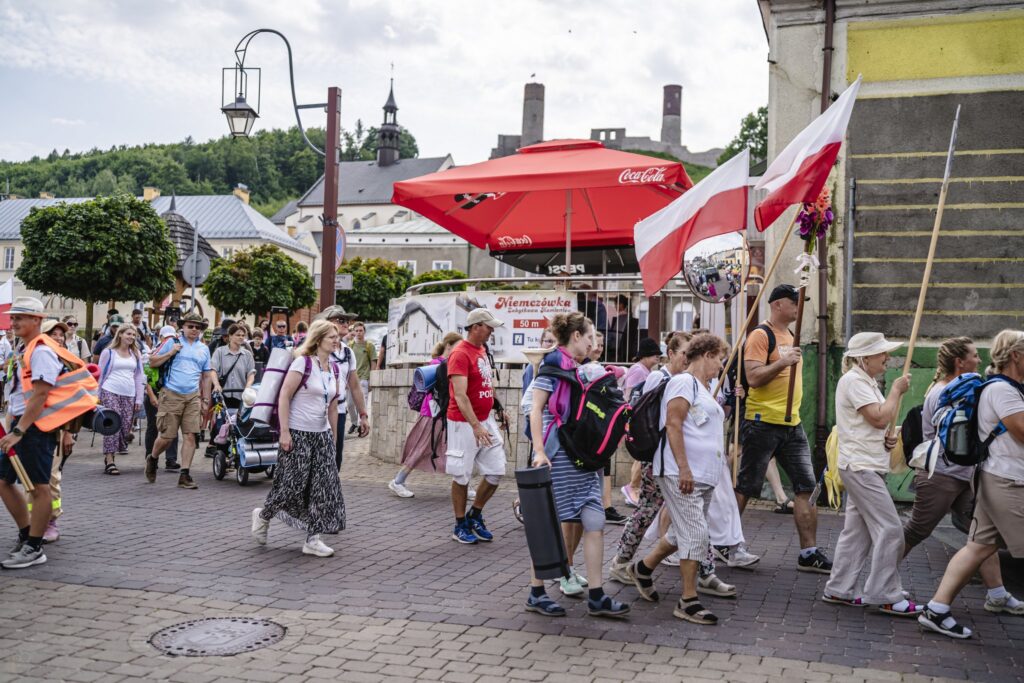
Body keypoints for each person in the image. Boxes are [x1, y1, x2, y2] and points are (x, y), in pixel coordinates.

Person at [902, 337, 1021, 615]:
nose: (979, 359)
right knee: (917, 530)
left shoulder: (966, 389)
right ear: (960, 362)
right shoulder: (944, 392)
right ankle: (880, 581)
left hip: (966, 474)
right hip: (941, 475)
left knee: (979, 538)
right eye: (973, 355)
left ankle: (997, 594)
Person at [526, 311, 630, 619]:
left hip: (580, 457)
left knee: (595, 521)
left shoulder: (574, 366)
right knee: (551, 526)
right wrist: (539, 451)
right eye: (589, 337)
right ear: (575, 337)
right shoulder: (553, 365)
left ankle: (597, 596)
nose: (593, 343)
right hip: (559, 456)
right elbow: (536, 409)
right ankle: (536, 592)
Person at [626, 333, 730, 625]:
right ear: (707, 355)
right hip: (680, 473)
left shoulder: (703, 388)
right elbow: (673, 424)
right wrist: (684, 468)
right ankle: (688, 600)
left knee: (681, 533)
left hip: (703, 476)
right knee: (696, 534)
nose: (720, 367)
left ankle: (643, 569)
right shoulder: (683, 382)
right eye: (719, 360)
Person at [736, 284, 832, 573]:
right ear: (778, 305)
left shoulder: (792, 335)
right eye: (795, 302)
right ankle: (727, 543)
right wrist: (783, 362)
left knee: (807, 486)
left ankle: (809, 551)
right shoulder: (760, 335)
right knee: (746, 486)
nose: (799, 308)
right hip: (762, 422)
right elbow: (753, 378)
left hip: (792, 424)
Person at [821, 332, 920, 615]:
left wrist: (887, 439)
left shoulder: (865, 381)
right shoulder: (854, 381)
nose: (887, 359)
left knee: (857, 532)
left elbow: (875, 423)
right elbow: (878, 417)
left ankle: (839, 589)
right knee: (890, 529)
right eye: (881, 354)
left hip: (866, 463)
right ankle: (884, 593)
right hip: (861, 467)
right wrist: (896, 392)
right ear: (865, 358)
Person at [250, 319, 346, 557]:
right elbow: (284, 396)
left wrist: (333, 437)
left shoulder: (333, 368)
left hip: (321, 434)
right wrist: (284, 432)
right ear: (318, 339)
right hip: (297, 432)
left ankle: (313, 538)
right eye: (332, 337)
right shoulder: (302, 364)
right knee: (291, 485)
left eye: (337, 337)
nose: (336, 340)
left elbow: (333, 406)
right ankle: (263, 516)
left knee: (323, 487)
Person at [0, 298, 71, 568]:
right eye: (13, 317)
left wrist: (19, 430)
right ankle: (26, 534)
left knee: (40, 487)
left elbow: (41, 394)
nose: (14, 321)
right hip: (23, 423)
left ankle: (34, 546)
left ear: (37, 321)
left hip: (35, 427)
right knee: (3, 481)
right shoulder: (27, 348)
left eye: (20, 317)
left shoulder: (41, 350)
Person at [446, 308, 506, 545]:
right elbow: (460, 396)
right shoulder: (460, 353)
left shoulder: (482, 350)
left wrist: (498, 407)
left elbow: (487, 383)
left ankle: (475, 514)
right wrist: (475, 426)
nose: (491, 330)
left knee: (496, 470)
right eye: (488, 326)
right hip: (463, 423)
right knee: (462, 474)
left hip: (484, 419)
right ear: (475, 327)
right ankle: (460, 524)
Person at [145, 312, 221, 490]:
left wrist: (205, 399)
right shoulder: (172, 342)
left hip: (193, 396)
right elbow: (152, 361)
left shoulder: (203, 349)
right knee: (167, 437)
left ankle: (184, 475)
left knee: (190, 435)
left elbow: (206, 375)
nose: (194, 329)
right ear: (183, 327)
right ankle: (153, 458)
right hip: (171, 394)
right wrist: (171, 352)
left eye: (197, 327)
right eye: (190, 326)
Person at [390, 332, 462, 498]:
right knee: (422, 447)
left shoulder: (442, 363)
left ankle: (463, 483)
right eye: (458, 346)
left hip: (440, 413)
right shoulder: (437, 364)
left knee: (452, 448)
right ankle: (398, 481)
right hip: (433, 413)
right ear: (449, 346)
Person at [32, 319, 75, 544]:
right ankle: (35, 518)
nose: (58, 338)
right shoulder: (29, 354)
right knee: (30, 477)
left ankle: (50, 520)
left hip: (55, 425)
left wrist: (68, 432)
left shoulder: (65, 364)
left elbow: (70, 402)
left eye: (61, 334)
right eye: (53, 334)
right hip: (30, 424)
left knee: (51, 476)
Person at [320, 306, 369, 469]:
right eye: (341, 320)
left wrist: (363, 415)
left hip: (339, 412)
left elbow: (354, 386)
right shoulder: (316, 350)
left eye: (348, 321)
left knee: (335, 461)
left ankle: (329, 494)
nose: (346, 323)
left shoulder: (348, 352)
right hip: (316, 413)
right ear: (327, 323)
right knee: (318, 460)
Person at [620, 337, 664, 508]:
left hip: (638, 416)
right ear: (646, 356)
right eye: (655, 356)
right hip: (637, 417)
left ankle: (634, 487)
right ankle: (632, 487)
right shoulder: (639, 370)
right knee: (641, 454)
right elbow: (632, 394)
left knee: (641, 455)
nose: (657, 360)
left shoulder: (643, 370)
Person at [97, 324, 145, 475]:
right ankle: (110, 459)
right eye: (128, 334)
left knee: (125, 427)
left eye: (133, 335)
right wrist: (96, 394)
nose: (131, 337)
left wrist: (139, 398)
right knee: (113, 424)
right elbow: (100, 374)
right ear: (120, 335)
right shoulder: (108, 353)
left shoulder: (135, 354)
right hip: (110, 390)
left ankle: (115, 450)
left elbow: (139, 376)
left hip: (129, 393)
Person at [144, 326, 178, 471]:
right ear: (161, 338)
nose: (169, 340)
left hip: (170, 393)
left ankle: (171, 459)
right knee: (153, 426)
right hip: (155, 393)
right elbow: (147, 377)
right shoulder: (153, 353)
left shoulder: (177, 352)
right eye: (167, 338)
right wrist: (151, 396)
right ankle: (150, 457)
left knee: (172, 426)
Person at [211, 324, 255, 410]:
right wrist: (216, 384)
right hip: (222, 395)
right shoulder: (219, 352)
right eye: (238, 335)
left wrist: (248, 387)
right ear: (230, 336)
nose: (241, 337)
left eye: (243, 335)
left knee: (238, 421)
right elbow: (213, 370)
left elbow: (251, 373)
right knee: (219, 418)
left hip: (242, 396)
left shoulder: (247, 355)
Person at [348, 322, 377, 435]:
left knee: (362, 404)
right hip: (351, 379)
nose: (359, 333)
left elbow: (373, 362)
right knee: (350, 404)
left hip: (364, 378)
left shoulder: (369, 346)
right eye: (357, 330)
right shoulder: (350, 346)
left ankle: (362, 426)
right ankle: (354, 423)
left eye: (361, 330)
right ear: (354, 332)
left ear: (364, 332)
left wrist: (371, 378)